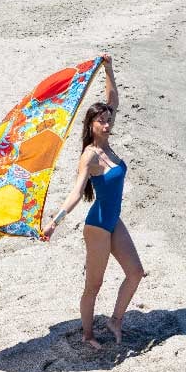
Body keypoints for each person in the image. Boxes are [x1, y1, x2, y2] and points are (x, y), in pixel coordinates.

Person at [43, 55, 144, 348]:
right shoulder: (89, 155)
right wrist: (54, 223)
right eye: (102, 121)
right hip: (98, 225)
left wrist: (108, 69)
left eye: (109, 120)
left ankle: (115, 320)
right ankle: (88, 335)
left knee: (135, 273)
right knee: (94, 285)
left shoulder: (108, 145)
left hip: (113, 220)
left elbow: (112, 100)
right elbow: (77, 193)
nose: (107, 123)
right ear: (91, 124)